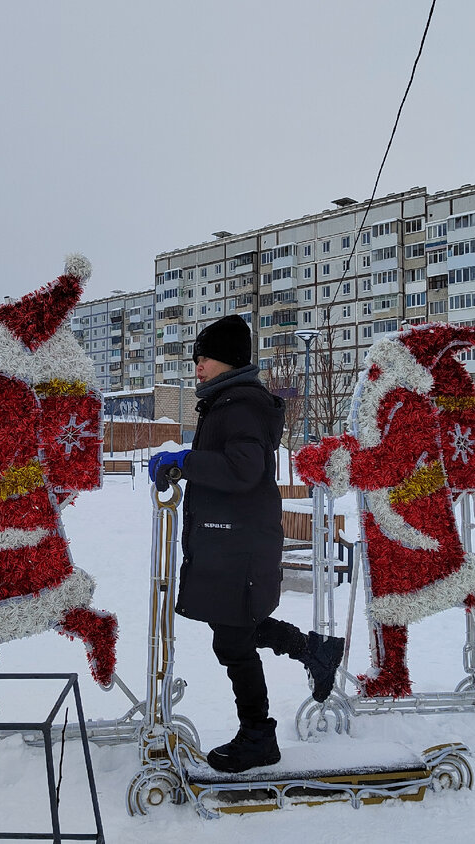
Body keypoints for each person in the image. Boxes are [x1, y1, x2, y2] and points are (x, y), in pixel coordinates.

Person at [148, 314, 345, 773]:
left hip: (241, 542)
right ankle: (313, 650)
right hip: (233, 539)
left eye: (205, 357)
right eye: (196, 357)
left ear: (229, 360)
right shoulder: (229, 401)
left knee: (233, 641)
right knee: (232, 627)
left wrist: (186, 460)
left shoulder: (239, 404)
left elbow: (242, 469)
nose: (197, 366)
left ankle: (258, 735)